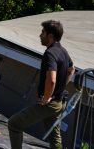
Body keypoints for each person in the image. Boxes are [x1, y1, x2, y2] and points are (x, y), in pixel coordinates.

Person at [8, 20, 75, 149]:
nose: (40, 35)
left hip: (50, 104)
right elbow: (72, 70)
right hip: (60, 102)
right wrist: (61, 87)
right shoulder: (63, 51)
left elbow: (52, 80)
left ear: (50, 36)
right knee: (55, 138)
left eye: (42, 32)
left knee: (14, 124)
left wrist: (46, 98)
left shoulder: (50, 54)